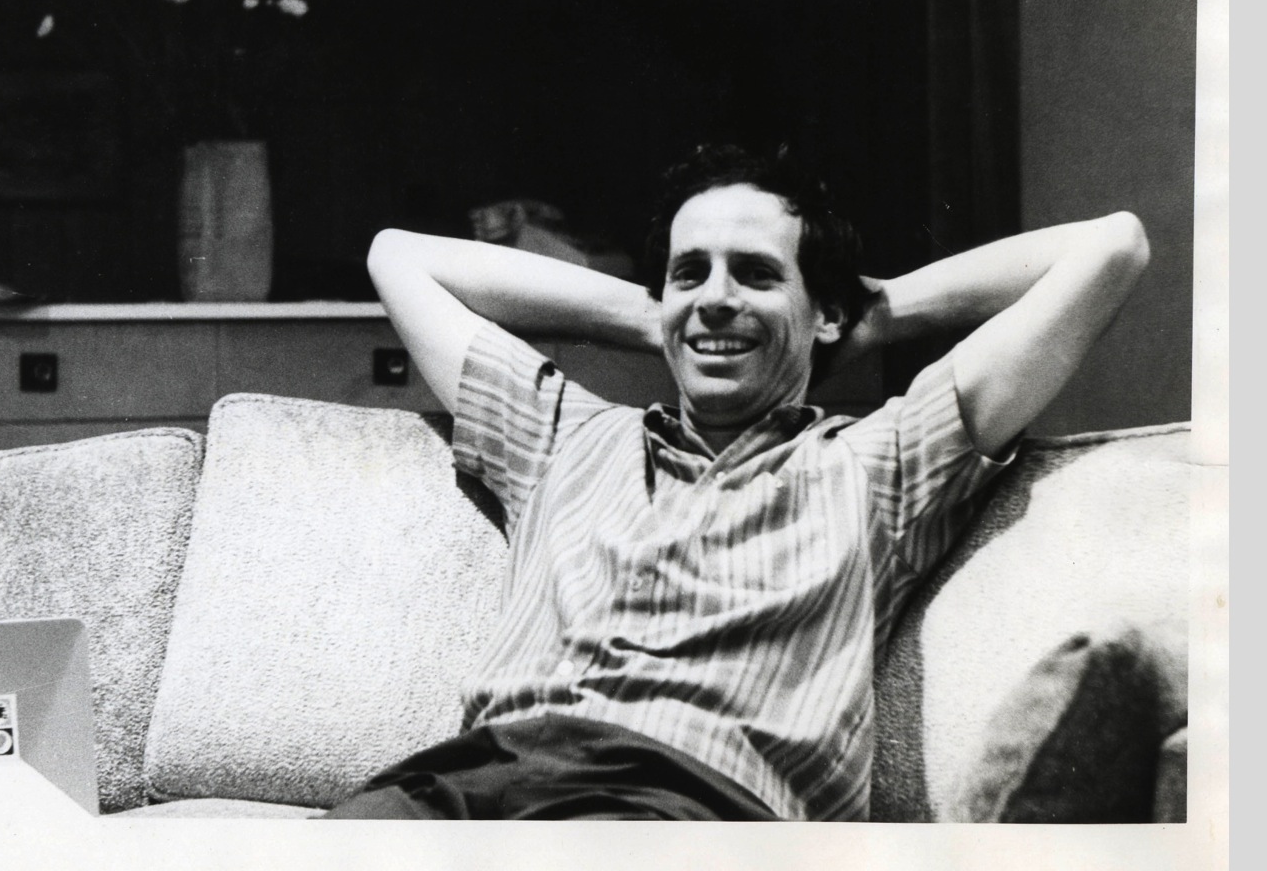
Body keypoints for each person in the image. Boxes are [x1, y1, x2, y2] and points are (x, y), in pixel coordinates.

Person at [325, 143, 1151, 821]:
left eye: (755, 274)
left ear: (825, 311)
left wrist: (870, 315)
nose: (716, 299)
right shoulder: (562, 437)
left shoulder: (878, 465)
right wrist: (661, 314)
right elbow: (399, 257)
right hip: (462, 790)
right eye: (691, 272)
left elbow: (1111, 249)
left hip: (679, 806)